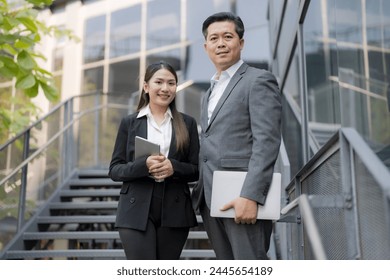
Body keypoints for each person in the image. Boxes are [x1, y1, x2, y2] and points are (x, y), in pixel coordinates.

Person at [192, 12, 282, 260]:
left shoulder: (258, 81)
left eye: (227, 36)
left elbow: (267, 142)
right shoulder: (208, 92)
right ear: (206, 46)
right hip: (211, 199)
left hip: (241, 197)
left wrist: (250, 195)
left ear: (241, 43)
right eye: (214, 38)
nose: (220, 43)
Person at [109, 61, 199, 260]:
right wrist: (144, 165)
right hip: (135, 208)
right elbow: (115, 170)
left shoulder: (188, 123)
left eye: (171, 83)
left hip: (175, 208)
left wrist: (173, 167)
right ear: (146, 86)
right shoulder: (129, 123)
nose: (165, 88)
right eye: (159, 82)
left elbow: (196, 169)